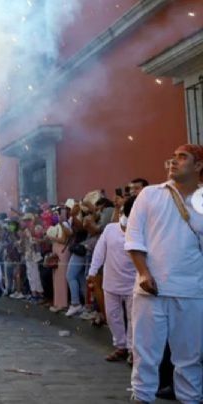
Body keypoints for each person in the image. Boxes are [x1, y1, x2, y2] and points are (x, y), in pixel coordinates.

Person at [125, 144, 203, 403]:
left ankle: (190, 399)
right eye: (174, 156)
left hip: (192, 291)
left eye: (183, 157)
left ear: (198, 166)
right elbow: (134, 236)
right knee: (145, 355)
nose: (174, 161)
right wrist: (144, 274)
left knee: (190, 359)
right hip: (151, 289)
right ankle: (142, 397)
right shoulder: (149, 194)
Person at [87, 196, 137, 362]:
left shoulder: (141, 231)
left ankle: (132, 349)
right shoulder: (110, 229)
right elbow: (99, 252)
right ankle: (120, 346)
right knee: (113, 315)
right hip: (111, 282)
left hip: (133, 283)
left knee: (132, 318)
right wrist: (93, 272)